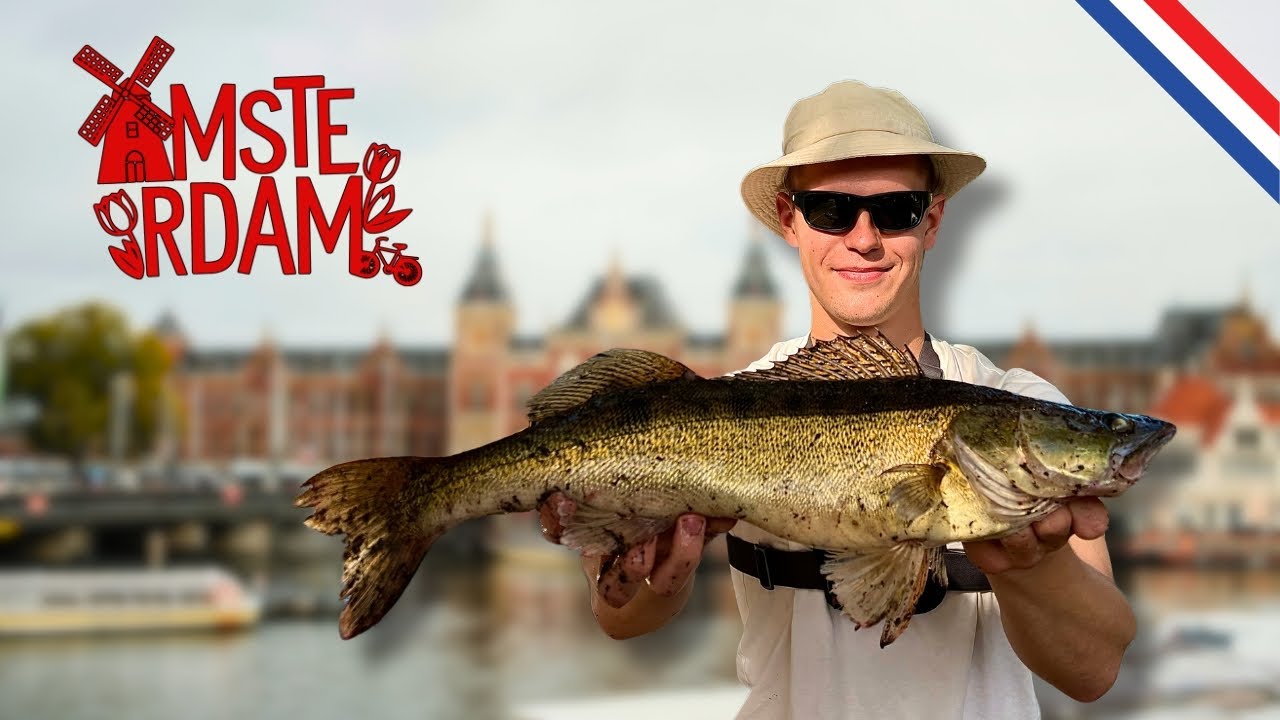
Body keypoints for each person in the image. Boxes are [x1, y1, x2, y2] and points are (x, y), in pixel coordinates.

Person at [538, 80, 1136, 718]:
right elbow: (619, 619)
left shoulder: (1014, 401)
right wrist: (649, 579)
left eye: (896, 210)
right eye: (829, 210)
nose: (864, 237)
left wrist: (1031, 566)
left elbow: (1094, 671)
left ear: (932, 220)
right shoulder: (721, 406)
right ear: (789, 219)